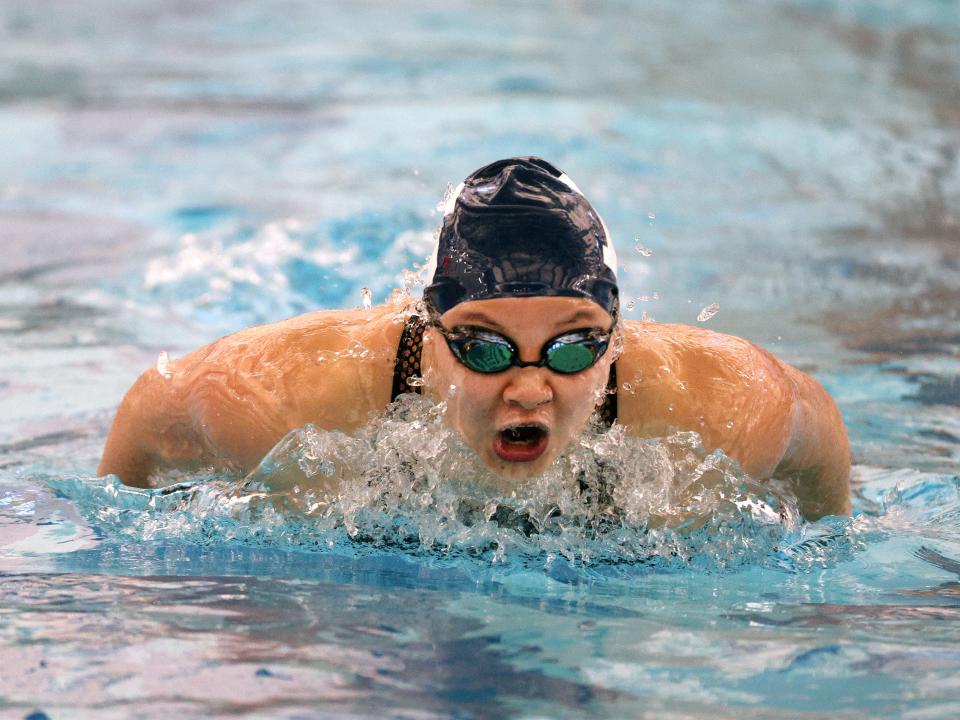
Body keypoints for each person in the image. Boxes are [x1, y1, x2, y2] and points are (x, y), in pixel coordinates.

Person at [98, 157, 851, 519]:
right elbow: (147, 410)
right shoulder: (288, 398)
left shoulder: (719, 403)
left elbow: (821, 449)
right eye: (485, 347)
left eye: (574, 347)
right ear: (431, 334)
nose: (529, 387)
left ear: (618, 337)